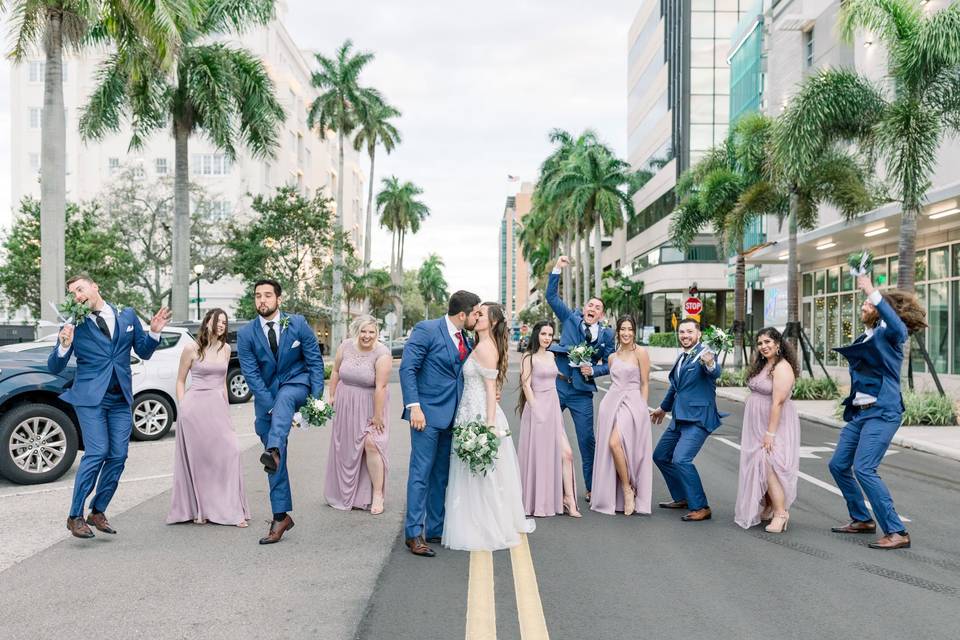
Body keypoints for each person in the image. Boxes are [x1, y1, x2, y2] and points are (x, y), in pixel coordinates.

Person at [48, 274, 170, 539]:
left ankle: (98, 511)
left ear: (95, 287)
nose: (76, 296)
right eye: (72, 294)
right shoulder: (74, 324)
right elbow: (54, 366)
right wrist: (63, 345)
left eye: (79, 289)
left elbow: (144, 351)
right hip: (90, 398)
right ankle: (75, 516)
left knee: (118, 456)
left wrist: (154, 332)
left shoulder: (126, 315)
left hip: (120, 399)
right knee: (97, 452)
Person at [828, 274, 926, 550]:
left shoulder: (891, 333)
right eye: (865, 302)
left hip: (883, 412)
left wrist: (872, 290)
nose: (863, 306)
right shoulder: (865, 335)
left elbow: (897, 325)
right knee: (837, 465)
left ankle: (897, 531)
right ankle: (862, 518)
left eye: (868, 304)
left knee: (865, 469)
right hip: (861, 413)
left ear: (882, 308)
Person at [236, 279, 324, 545]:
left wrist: (316, 400)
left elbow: (314, 361)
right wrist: (268, 403)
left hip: (296, 385)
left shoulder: (297, 324)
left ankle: (272, 449)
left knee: (285, 398)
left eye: (267, 295)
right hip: (266, 399)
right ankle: (280, 515)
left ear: (278, 299)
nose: (262, 300)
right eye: (258, 296)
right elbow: (251, 374)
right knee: (275, 461)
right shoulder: (246, 333)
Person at [443, 302, 535, 551]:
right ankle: (476, 520)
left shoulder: (485, 348)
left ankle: (484, 525)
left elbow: (490, 388)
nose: (476, 316)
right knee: (476, 473)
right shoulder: (479, 344)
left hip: (481, 415)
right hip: (471, 410)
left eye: (481, 314)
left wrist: (489, 426)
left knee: (482, 474)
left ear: (492, 322)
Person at [400, 290, 482, 558]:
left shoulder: (464, 337)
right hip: (425, 415)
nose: (477, 317)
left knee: (441, 475)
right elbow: (407, 369)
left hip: (452, 416)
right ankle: (414, 533)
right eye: (476, 313)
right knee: (421, 474)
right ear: (463, 314)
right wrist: (414, 407)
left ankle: (435, 528)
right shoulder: (427, 329)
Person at [167, 309, 250, 527]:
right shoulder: (191, 348)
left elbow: (222, 382)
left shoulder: (226, 349)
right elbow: (180, 380)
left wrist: (226, 409)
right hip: (194, 409)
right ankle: (200, 509)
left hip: (217, 408)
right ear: (208, 322)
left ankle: (230, 509)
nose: (222, 325)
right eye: (218, 321)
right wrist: (183, 405)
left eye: (225, 322)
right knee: (201, 461)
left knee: (230, 452)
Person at [545, 255, 615, 500]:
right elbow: (551, 298)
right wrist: (557, 269)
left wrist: (593, 371)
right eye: (590, 306)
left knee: (587, 440)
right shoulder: (570, 318)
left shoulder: (606, 335)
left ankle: (592, 488)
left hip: (582, 392)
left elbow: (610, 363)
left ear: (601, 314)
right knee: (545, 433)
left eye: (597, 308)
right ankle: (546, 484)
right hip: (559, 386)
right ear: (584, 308)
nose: (592, 310)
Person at [650, 318, 723, 522]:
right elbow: (675, 387)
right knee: (660, 456)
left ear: (698, 334)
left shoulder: (705, 354)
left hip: (698, 418)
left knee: (681, 459)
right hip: (679, 418)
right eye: (682, 332)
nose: (685, 335)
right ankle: (682, 497)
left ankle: (701, 506)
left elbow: (714, 371)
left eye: (689, 332)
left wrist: (710, 363)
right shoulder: (682, 358)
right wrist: (663, 409)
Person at [734, 327, 800, 533]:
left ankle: (781, 513)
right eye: (760, 343)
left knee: (769, 464)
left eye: (768, 342)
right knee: (758, 463)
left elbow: (778, 403)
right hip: (756, 422)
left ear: (778, 344)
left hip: (774, 423)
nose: (763, 347)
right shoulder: (762, 365)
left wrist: (770, 433)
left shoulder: (782, 367)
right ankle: (769, 505)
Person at [324, 315, 392, 514]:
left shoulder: (382, 354)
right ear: (357, 331)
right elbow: (335, 371)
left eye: (371, 332)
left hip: (371, 404)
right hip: (345, 404)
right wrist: (332, 395)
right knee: (346, 448)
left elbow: (381, 387)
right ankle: (346, 493)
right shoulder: (345, 346)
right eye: (363, 331)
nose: (367, 336)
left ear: (377, 333)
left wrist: (378, 416)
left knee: (372, 444)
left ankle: (377, 494)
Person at [591, 316, 653, 516]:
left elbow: (644, 383)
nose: (626, 333)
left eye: (630, 329)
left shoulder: (641, 353)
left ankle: (628, 489)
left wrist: (642, 409)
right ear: (617, 332)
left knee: (614, 443)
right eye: (622, 329)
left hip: (632, 402)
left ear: (634, 331)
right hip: (611, 403)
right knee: (614, 446)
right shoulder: (612, 357)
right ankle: (625, 490)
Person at [517, 321, 580, 518]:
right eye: (543, 333)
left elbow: (555, 374)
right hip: (537, 409)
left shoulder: (552, 355)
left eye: (550, 334)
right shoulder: (528, 357)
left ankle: (568, 498)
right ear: (537, 335)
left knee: (567, 453)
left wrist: (573, 373)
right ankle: (540, 500)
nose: (547, 337)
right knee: (540, 456)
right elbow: (526, 385)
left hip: (553, 408)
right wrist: (537, 410)